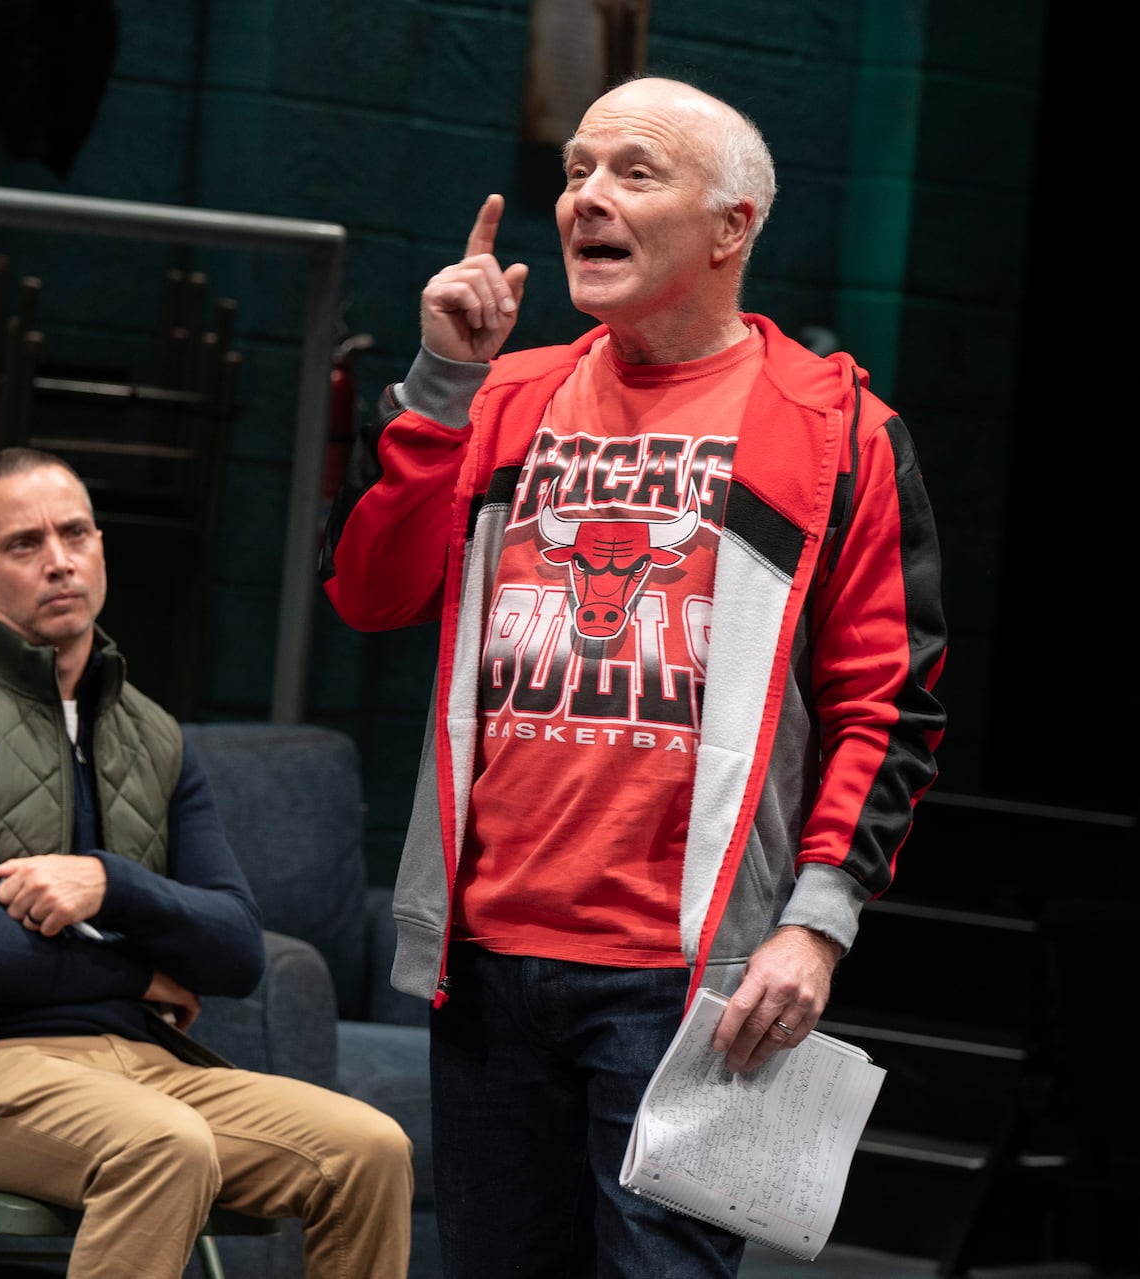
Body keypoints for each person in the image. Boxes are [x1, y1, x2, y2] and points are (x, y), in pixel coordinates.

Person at [320, 75, 946, 1277]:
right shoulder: (502, 397)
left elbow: (886, 703)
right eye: (576, 172)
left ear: (732, 228)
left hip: (689, 982)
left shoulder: (833, 429)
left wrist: (816, 927)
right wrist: (440, 385)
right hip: (488, 962)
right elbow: (368, 591)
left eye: (632, 174)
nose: (585, 200)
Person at [0, 447, 412, 1278]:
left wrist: (111, 882)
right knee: (164, 1145)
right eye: (24, 544)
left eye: (76, 533)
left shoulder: (156, 737)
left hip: (139, 1064)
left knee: (370, 1148)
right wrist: (138, 978)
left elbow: (236, 949)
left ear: (100, 547)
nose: (59, 559)